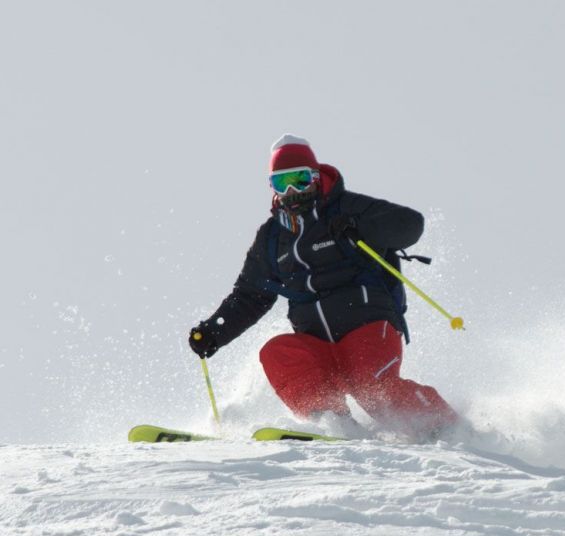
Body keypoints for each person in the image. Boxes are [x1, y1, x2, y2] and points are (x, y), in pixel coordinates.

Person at [188, 134, 459, 440]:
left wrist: (360, 227)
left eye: (300, 180)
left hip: (369, 328)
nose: (292, 191)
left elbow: (410, 224)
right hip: (317, 343)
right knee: (278, 352)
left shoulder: (346, 207)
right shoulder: (272, 238)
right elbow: (250, 296)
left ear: (315, 177)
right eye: (281, 183)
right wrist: (214, 331)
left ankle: (442, 423)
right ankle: (335, 424)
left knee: (371, 388)